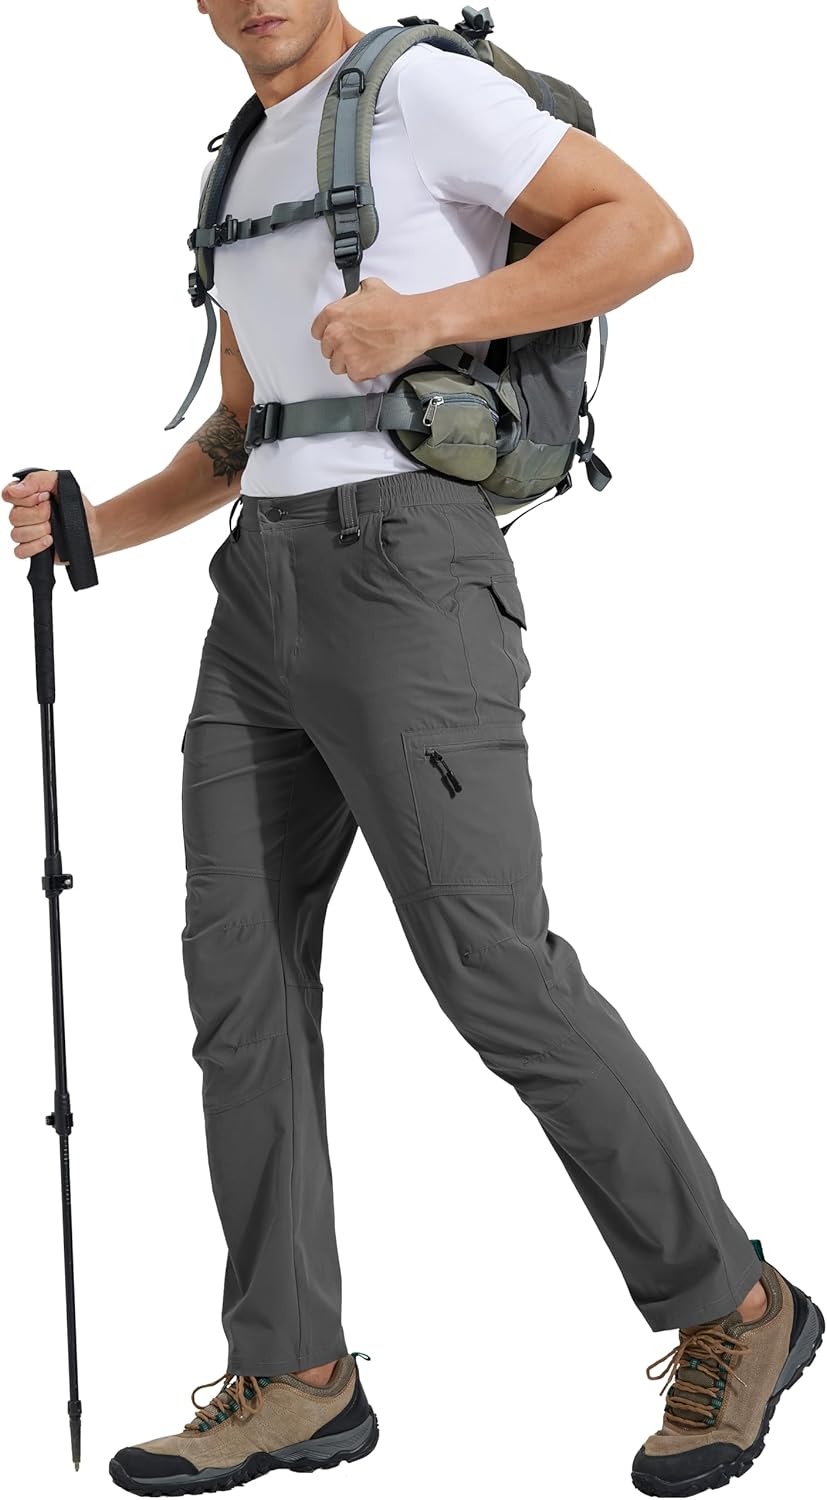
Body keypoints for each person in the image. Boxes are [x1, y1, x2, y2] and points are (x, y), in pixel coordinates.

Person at [4, 3, 821, 1495]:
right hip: (260, 591)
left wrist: (432, 318)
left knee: (492, 968)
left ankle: (738, 1304)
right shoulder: (241, 157)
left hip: (407, 570)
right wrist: (91, 526)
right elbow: (251, 425)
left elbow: (650, 232)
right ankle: (296, 1376)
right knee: (239, 986)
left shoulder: (423, 91)